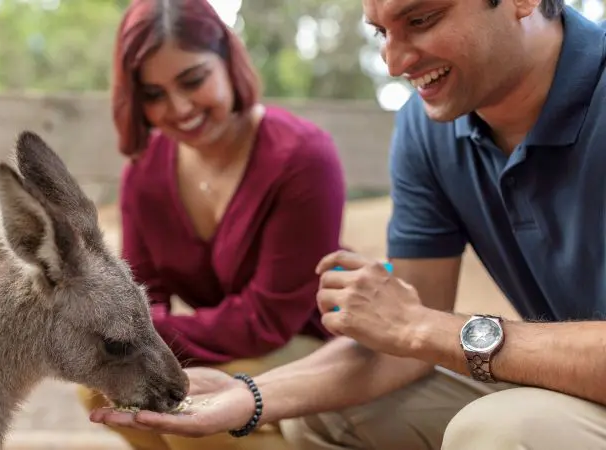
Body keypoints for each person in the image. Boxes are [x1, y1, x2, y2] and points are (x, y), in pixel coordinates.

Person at [90, 0, 606, 448]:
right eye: (382, 33)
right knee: (317, 411)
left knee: (501, 431)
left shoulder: (297, 153)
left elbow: (417, 327)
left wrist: (428, 328)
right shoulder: (427, 131)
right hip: (568, 387)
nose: (395, 62)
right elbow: (407, 341)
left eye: (422, 18)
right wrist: (251, 395)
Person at [77, 0, 348, 449]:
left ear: (228, 59)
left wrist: (132, 333)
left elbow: (268, 320)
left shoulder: (303, 158)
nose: (179, 108)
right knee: (104, 389)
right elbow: (143, 292)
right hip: (229, 347)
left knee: (187, 408)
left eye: (193, 80)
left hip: (307, 347)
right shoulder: (144, 172)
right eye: (154, 94)